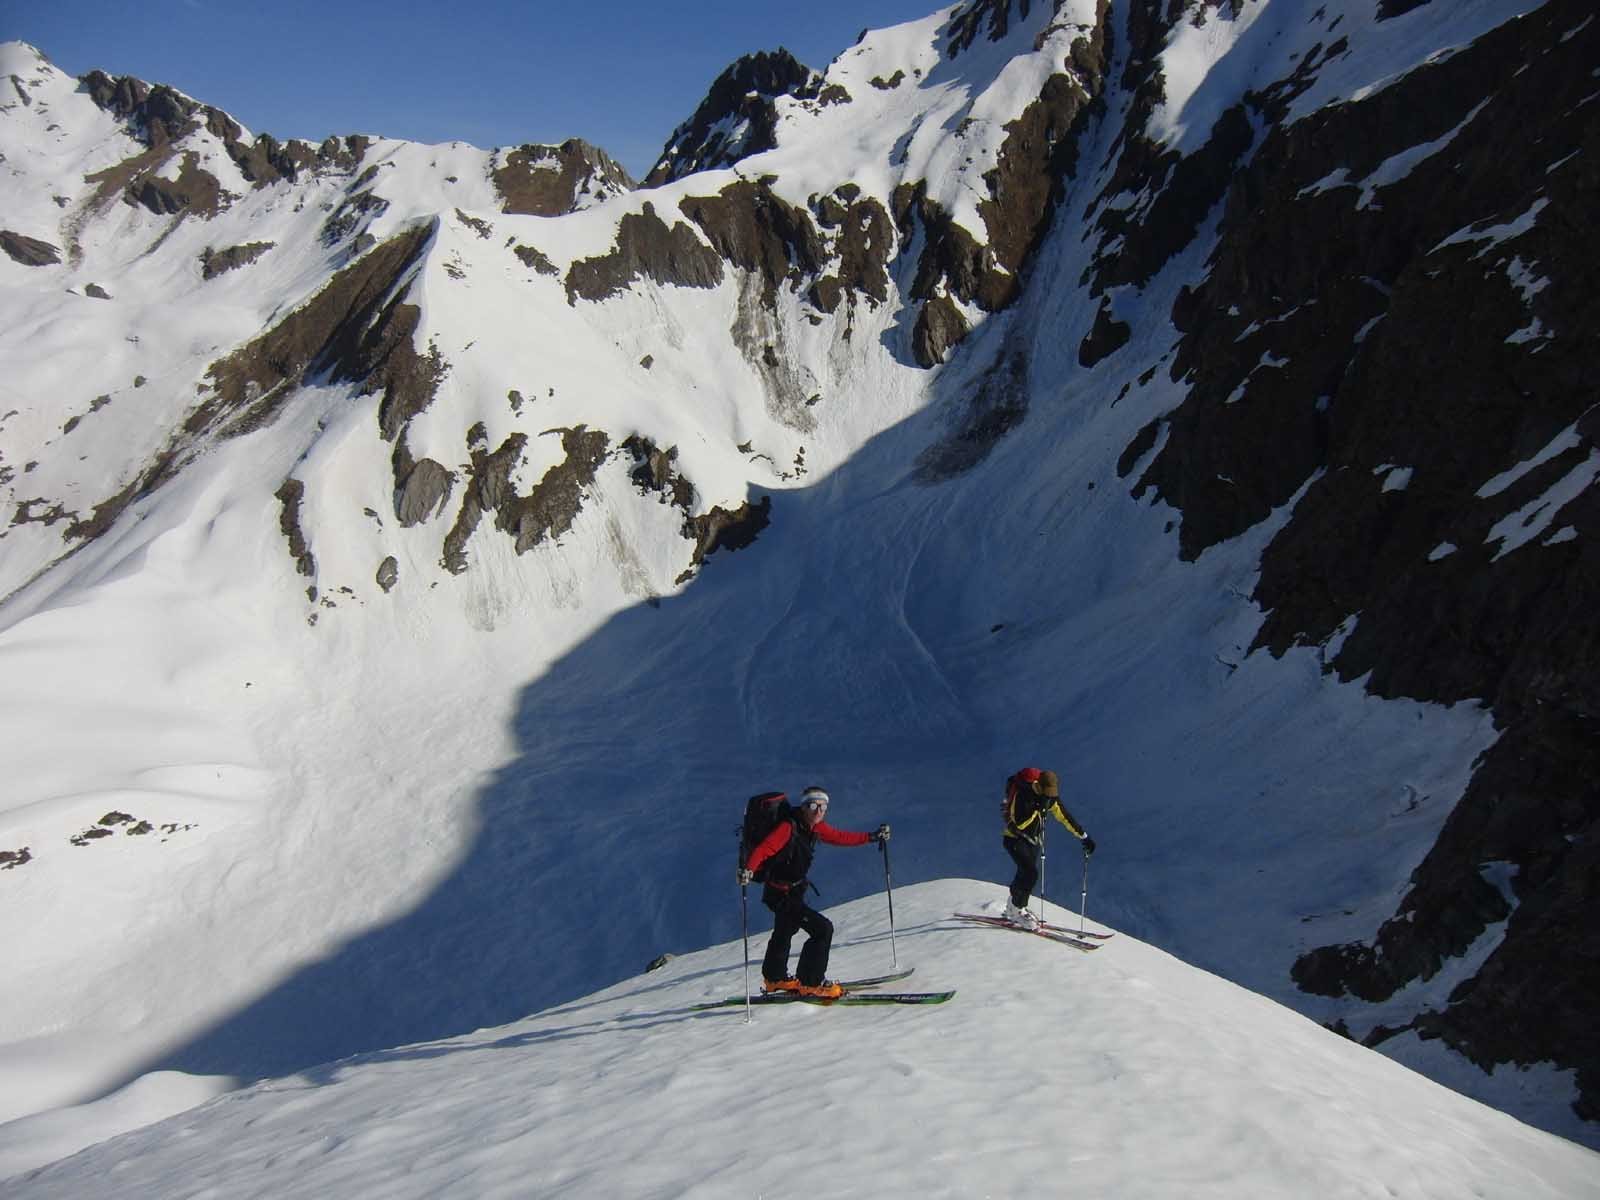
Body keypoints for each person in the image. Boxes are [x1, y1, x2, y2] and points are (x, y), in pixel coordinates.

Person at [737, 786, 889, 999]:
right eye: (813, 805)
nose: (818, 811)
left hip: (792, 891)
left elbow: (840, 837)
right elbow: (764, 849)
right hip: (781, 894)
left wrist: (872, 837)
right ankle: (811, 982)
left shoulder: (815, 827)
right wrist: (749, 869)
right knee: (822, 930)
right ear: (803, 806)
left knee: (784, 930)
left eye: (823, 806)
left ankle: (774, 978)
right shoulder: (788, 827)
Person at [1001, 768, 1094, 929]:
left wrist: (1084, 837)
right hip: (1014, 839)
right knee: (1030, 874)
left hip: (1033, 841)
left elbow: (1065, 817)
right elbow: (1020, 823)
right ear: (1039, 786)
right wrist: (1038, 807)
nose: (1050, 796)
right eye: (1048, 793)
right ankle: (1017, 910)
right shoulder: (1023, 795)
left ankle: (1013, 906)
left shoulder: (1049, 797)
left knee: (1024, 873)